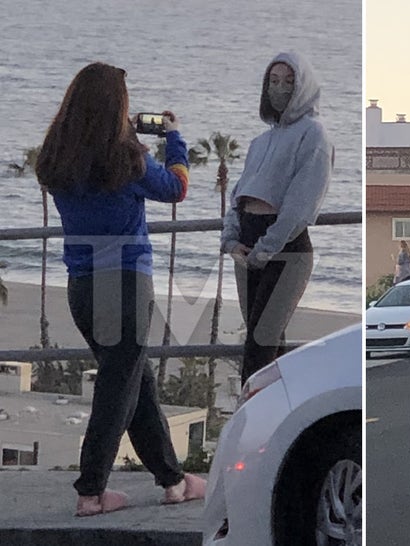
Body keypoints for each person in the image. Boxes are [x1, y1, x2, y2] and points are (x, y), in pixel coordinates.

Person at [35, 62, 205, 516]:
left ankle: (173, 480)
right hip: (126, 285)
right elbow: (176, 189)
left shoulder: (58, 157)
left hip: (82, 288)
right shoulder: (125, 157)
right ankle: (91, 490)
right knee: (117, 391)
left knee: (135, 384)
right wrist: (174, 140)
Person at [220, 52, 333, 385]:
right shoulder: (261, 142)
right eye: (273, 81)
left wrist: (267, 247)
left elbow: (301, 205)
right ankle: (281, 425)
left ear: (302, 86)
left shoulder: (314, 135)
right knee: (269, 345)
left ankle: (247, 424)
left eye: (288, 82)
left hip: (286, 249)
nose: (280, 89)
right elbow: (238, 196)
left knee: (260, 346)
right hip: (248, 243)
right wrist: (231, 241)